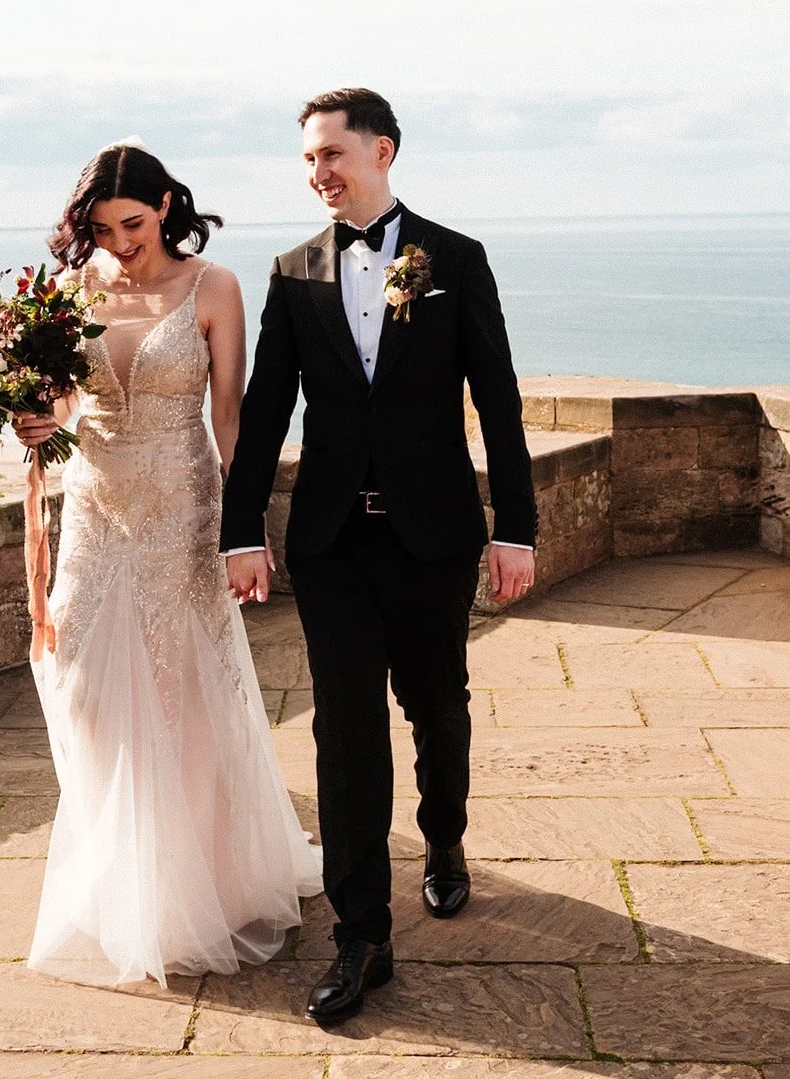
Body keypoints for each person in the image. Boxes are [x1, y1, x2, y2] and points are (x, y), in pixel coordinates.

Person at [221, 88, 537, 1026]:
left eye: (332, 154)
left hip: (433, 537)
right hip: (330, 543)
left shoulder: (456, 259)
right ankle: (363, 936)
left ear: (382, 150)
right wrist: (243, 533)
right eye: (308, 159)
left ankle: (443, 840)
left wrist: (512, 527)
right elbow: (266, 413)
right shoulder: (291, 273)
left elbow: (502, 404)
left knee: (437, 705)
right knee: (343, 733)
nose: (319, 172)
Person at [13, 142, 321, 988]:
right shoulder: (75, 293)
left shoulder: (213, 287)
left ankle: (197, 890)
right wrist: (36, 423)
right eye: (103, 229)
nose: (120, 243)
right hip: (95, 510)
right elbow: (64, 407)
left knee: (180, 691)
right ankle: (121, 877)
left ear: (166, 206)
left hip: (180, 510)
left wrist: (243, 529)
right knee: (89, 693)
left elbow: (231, 421)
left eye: (134, 224)